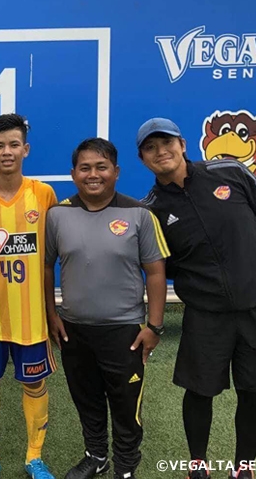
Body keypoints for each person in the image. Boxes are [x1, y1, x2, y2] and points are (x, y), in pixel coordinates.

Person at [137, 118, 256, 479]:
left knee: (255, 391)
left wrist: (249, 262)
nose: (162, 152)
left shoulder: (230, 170)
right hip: (206, 314)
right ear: (143, 159)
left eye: (167, 142)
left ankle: (244, 468)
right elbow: (164, 265)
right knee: (199, 391)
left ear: (183, 144)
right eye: (151, 147)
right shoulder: (152, 210)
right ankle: (198, 465)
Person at [45, 138, 169, 479]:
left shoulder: (139, 214)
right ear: (73, 174)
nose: (93, 174)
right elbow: (46, 266)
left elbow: (156, 272)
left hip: (124, 331)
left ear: (116, 171)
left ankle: (126, 467)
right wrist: (51, 314)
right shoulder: (57, 214)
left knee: (126, 405)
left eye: (101, 167)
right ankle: (96, 456)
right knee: (87, 401)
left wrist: (154, 327)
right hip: (74, 329)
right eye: (85, 168)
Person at [0, 114, 58, 479]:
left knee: (35, 383)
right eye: (0, 146)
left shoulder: (43, 194)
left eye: (14, 145)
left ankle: (34, 458)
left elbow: (52, 255)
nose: (7, 152)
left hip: (31, 316)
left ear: (26, 149)